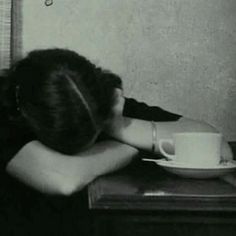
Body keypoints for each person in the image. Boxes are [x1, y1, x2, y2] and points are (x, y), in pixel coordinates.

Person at [0, 48, 233, 196]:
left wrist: (116, 124)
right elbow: (64, 179)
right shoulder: (6, 109)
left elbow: (217, 147)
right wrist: (129, 146)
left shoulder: (92, 98)